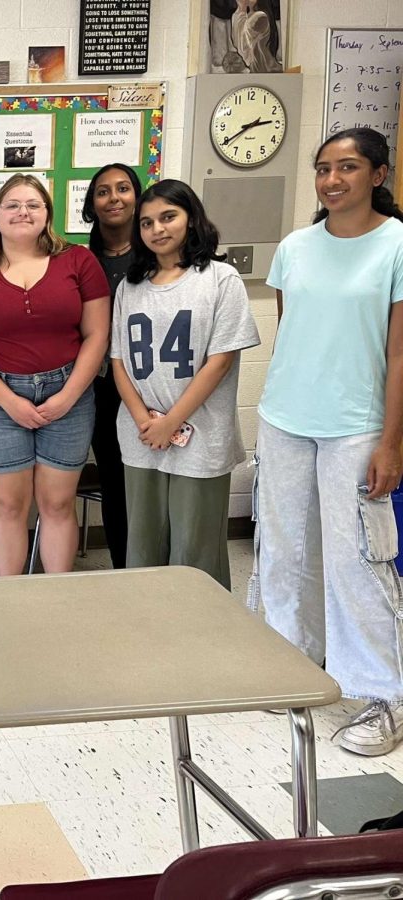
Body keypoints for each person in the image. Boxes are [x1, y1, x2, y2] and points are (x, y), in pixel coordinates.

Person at [252, 127, 403, 756]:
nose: (332, 180)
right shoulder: (294, 247)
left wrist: (392, 441)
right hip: (285, 418)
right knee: (283, 551)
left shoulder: (397, 245)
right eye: (322, 169)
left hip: (357, 426)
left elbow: (399, 353)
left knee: (356, 560)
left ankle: (383, 695)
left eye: (346, 167)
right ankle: (292, 665)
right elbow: (293, 330)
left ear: (379, 174)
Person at [0, 175, 110, 576]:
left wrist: (68, 396)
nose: (23, 212)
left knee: (57, 503)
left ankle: (56, 596)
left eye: (33, 205)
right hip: (0, 398)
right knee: (7, 505)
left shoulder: (79, 262)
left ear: (47, 215)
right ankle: (11, 600)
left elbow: (97, 336)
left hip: (69, 394)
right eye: (13, 205)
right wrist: (10, 401)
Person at [110, 179, 259, 589]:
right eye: (146, 222)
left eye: (168, 217)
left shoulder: (219, 279)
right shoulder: (130, 286)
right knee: (143, 542)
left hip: (199, 434)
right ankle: (148, 629)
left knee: (194, 547)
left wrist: (170, 421)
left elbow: (221, 360)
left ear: (191, 218)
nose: (157, 229)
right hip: (141, 435)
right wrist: (145, 419)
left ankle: (200, 637)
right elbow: (119, 360)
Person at [82, 163, 144, 569]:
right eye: (103, 192)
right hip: (102, 391)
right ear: (91, 205)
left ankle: (161, 570)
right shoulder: (79, 264)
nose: (114, 198)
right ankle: (125, 571)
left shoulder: (158, 258)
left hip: (154, 388)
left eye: (123, 189)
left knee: (152, 485)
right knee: (117, 485)